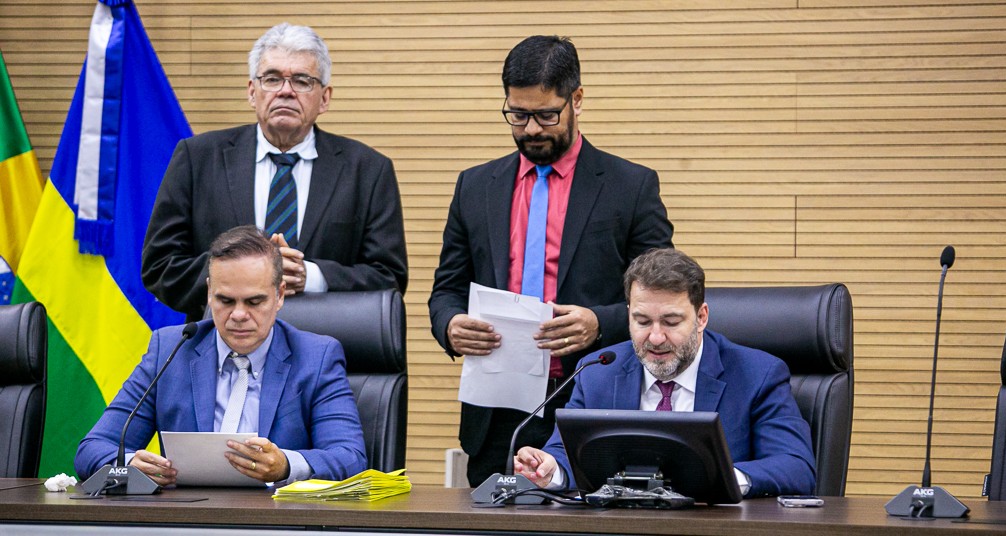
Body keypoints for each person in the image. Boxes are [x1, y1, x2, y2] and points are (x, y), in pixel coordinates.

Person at [428, 35, 674, 486]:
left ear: (576, 99)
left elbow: (664, 298)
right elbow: (446, 289)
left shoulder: (630, 186)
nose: (531, 130)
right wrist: (450, 324)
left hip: (592, 397)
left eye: (546, 115)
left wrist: (598, 323)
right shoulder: (475, 187)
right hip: (496, 409)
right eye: (518, 115)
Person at [143, 23, 408, 321]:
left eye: (302, 81)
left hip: (328, 341)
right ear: (252, 92)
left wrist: (313, 276)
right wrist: (244, 272)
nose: (285, 91)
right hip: (221, 341)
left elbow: (389, 277)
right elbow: (160, 267)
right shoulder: (198, 158)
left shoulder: (368, 170)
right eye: (272, 79)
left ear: (324, 98)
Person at [75, 225, 367, 485]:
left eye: (254, 301)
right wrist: (129, 465)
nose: (238, 315)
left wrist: (285, 466)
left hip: (276, 518)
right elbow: (93, 448)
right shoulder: (171, 349)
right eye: (225, 300)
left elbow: (350, 458)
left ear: (279, 295)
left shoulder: (316, 357)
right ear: (209, 293)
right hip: (184, 516)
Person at [513, 248, 816, 498]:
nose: (656, 338)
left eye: (671, 322)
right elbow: (565, 454)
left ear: (701, 317)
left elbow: (795, 467)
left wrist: (719, 480)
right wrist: (550, 469)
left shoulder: (757, 374)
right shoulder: (598, 370)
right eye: (642, 322)